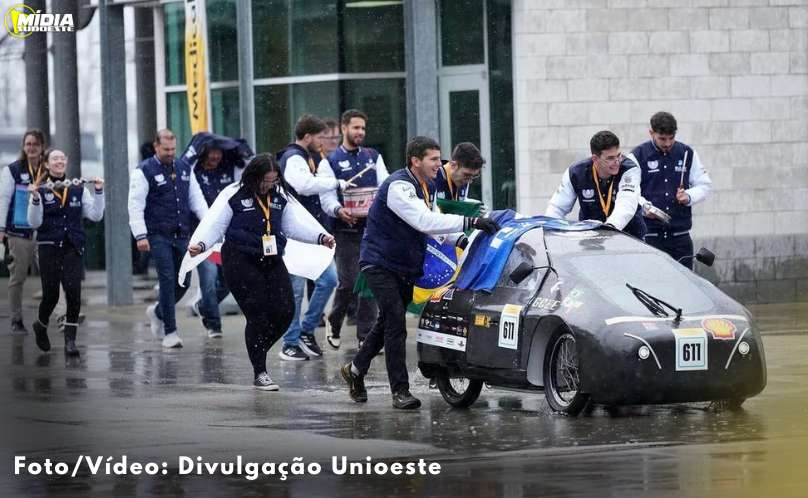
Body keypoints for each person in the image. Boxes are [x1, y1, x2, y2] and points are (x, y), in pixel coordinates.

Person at [339, 136, 499, 409]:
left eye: (439, 159)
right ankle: (400, 392)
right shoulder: (399, 186)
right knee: (396, 326)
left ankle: (355, 370)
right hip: (379, 264)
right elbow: (423, 220)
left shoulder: (426, 187)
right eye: (434, 159)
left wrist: (461, 241)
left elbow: (434, 225)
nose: (440, 164)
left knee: (386, 323)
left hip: (404, 266)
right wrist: (470, 221)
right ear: (415, 161)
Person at [187, 154, 335, 390]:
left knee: (286, 310)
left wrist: (319, 237)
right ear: (254, 176)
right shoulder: (235, 195)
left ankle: (257, 347)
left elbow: (291, 226)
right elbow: (216, 225)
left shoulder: (278, 198)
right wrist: (202, 245)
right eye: (265, 180)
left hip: (271, 257)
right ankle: (260, 371)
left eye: (274, 180)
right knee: (258, 312)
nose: (268, 185)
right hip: (240, 259)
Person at [128, 129, 208, 348]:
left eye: (173, 149)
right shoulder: (143, 171)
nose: (170, 153)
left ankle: (158, 311)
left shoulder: (183, 168)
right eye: (166, 149)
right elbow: (135, 205)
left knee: (184, 280)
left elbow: (196, 199)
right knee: (167, 278)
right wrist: (140, 235)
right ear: (156, 146)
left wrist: (209, 223)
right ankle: (170, 332)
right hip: (157, 234)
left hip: (181, 233)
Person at [319, 109, 388, 350]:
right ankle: (334, 320)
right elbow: (326, 199)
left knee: (369, 280)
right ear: (344, 128)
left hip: (371, 230)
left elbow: (385, 186)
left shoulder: (373, 156)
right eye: (356, 128)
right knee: (348, 281)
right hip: (345, 231)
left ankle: (365, 337)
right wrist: (339, 211)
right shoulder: (330, 162)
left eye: (363, 128)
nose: (360, 132)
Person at [277, 115, 344, 361]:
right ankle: (289, 343)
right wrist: (336, 183)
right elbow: (304, 185)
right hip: (295, 234)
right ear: (307, 137)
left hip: (312, 233)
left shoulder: (309, 157)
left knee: (329, 279)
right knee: (294, 291)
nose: (324, 141)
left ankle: (306, 331)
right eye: (320, 137)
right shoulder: (293, 157)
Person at [26, 149, 104, 356]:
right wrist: (34, 198)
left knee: (73, 294)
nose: (59, 161)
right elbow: (34, 222)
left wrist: (98, 191)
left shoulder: (78, 188)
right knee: (51, 295)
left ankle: (70, 340)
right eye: (55, 159)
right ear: (47, 164)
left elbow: (96, 215)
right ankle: (40, 326)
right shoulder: (40, 189)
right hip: (49, 246)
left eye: (62, 158)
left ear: (66, 162)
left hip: (72, 246)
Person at [632, 112, 713, 269]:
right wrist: (644, 208)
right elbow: (630, 192)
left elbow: (705, 185)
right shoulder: (637, 156)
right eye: (662, 138)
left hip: (680, 238)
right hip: (650, 236)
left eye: (671, 138)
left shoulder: (687, 153)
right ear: (651, 133)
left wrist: (688, 196)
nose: (668, 143)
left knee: (684, 287)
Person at [189, 135, 251, 338]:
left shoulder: (229, 167)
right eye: (211, 152)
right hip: (202, 234)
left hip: (225, 235)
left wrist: (241, 149)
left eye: (219, 152)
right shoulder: (193, 171)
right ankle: (213, 324)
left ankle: (204, 305)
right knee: (209, 277)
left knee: (228, 279)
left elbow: (248, 163)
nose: (215, 156)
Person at [545, 130, 646, 240]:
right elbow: (557, 208)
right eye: (610, 158)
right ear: (595, 159)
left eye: (619, 155)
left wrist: (610, 228)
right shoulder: (575, 172)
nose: (617, 161)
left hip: (629, 238)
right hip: (590, 241)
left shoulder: (630, 169)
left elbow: (626, 204)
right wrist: (549, 233)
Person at [0, 129, 46, 334]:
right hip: (18, 233)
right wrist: (1, 229)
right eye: (28, 144)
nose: (31, 147)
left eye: (35, 144)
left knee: (54, 273)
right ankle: (16, 319)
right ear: (23, 146)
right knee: (17, 278)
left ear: (42, 146)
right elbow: (4, 200)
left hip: (44, 233)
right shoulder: (13, 170)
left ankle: (65, 315)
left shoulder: (48, 170)